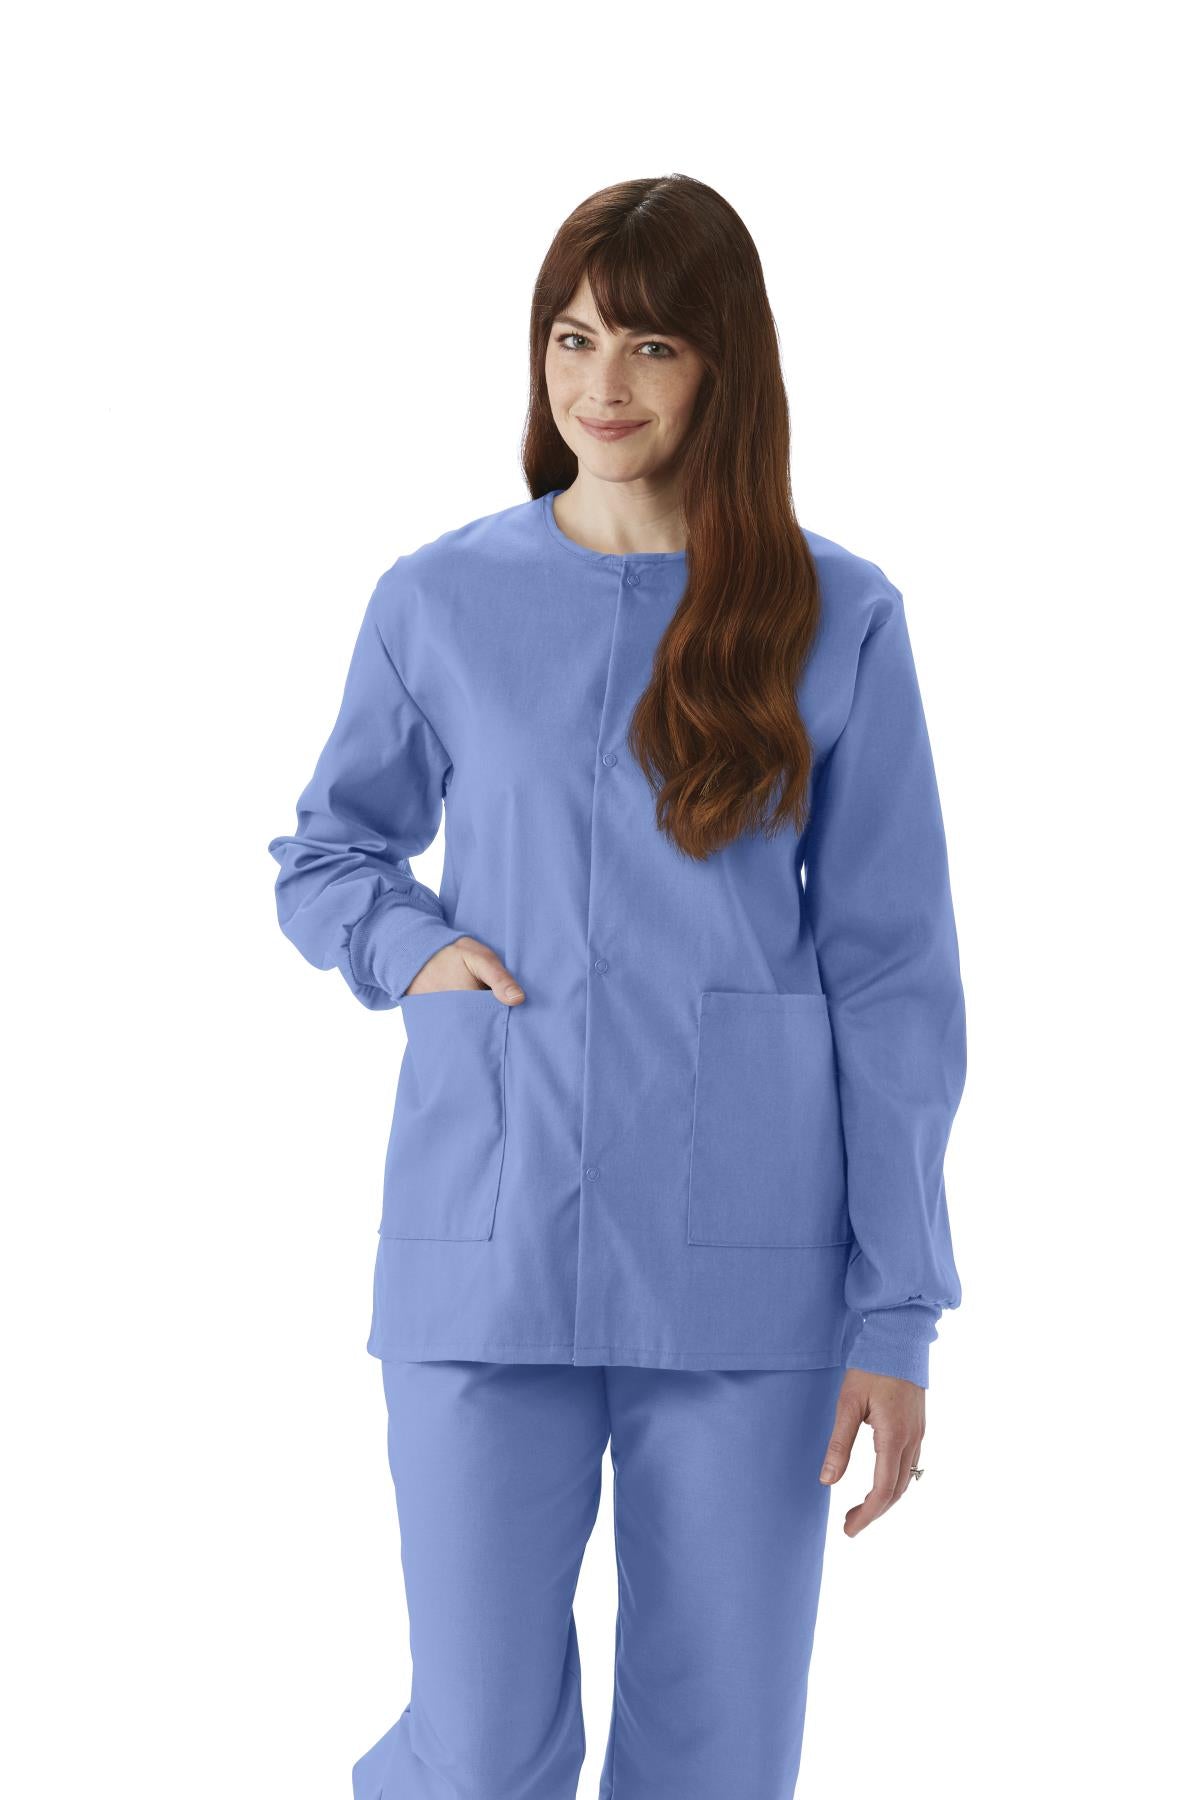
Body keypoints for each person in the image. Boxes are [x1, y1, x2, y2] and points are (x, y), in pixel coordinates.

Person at [267, 172, 967, 1800]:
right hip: (488, 1236)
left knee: (719, 1760)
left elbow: (893, 975)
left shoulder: (836, 615)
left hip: (748, 1267)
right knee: (476, 1752)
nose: (604, 382)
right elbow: (329, 852)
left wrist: (898, 1310)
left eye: (653, 345)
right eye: (574, 337)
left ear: (724, 365)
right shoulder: (439, 597)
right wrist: (412, 950)